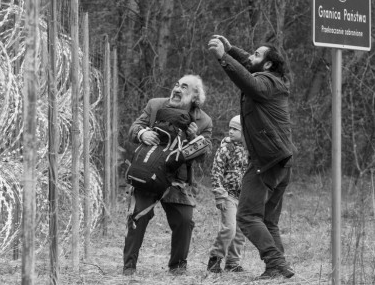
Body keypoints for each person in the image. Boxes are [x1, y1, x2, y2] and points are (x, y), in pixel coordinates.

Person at [207, 35, 296, 279]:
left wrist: (223, 58)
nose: (251, 57)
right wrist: (232, 49)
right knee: (268, 221)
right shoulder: (274, 79)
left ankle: (276, 263)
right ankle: (278, 267)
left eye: (258, 55)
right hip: (281, 160)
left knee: (246, 216)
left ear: (267, 65)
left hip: (266, 161)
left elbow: (250, 82)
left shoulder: (265, 82)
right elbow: (249, 62)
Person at [123, 74, 213, 276]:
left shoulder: (204, 121)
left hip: (175, 178)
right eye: (176, 84)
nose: (177, 89)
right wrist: (142, 134)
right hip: (147, 172)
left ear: (195, 97)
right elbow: (133, 129)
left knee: (184, 220)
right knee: (137, 216)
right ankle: (128, 268)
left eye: (184, 87)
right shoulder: (155, 105)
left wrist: (193, 136)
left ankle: (177, 267)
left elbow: (203, 157)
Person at [207, 115, 248, 273]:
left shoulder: (249, 149)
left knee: (240, 231)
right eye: (230, 128)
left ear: (244, 132)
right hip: (228, 195)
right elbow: (216, 172)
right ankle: (215, 259)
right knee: (229, 228)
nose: (230, 132)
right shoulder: (225, 148)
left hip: (243, 196)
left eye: (235, 129)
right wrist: (220, 194)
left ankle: (233, 262)